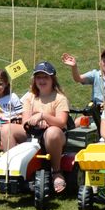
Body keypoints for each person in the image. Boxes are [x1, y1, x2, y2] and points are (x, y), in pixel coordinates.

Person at [20, 61, 70, 193]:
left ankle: (57, 172)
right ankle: (15, 171)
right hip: (32, 133)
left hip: (55, 137)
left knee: (53, 132)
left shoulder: (60, 98)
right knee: (8, 129)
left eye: (45, 77)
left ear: (52, 79)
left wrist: (44, 116)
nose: (41, 80)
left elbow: (61, 122)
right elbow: (25, 122)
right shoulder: (30, 98)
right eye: (38, 77)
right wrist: (36, 121)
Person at [61, 48, 105, 125]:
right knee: (76, 123)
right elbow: (78, 79)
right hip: (94, 111)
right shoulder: (95, 74)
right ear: (100, 63)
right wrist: (74, 66)